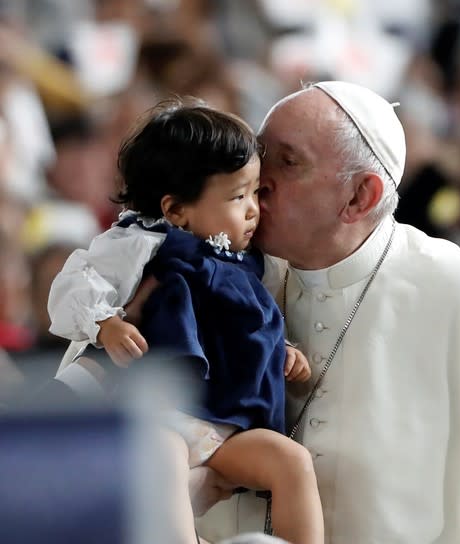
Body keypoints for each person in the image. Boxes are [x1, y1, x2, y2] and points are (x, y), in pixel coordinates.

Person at [54, 82, 460, 543]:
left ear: (359, 196)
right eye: (255, 164)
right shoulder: (220, 271)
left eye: (284, 164)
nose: (256, 187)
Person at [47, 98, 324, 544]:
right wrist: (105, 323)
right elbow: (73, 283)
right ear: (176, 210)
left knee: (289, 460)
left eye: (255, 192)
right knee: (164, 452)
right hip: (159, 413)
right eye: (238, 196)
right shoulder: (140, 244)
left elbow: (246, 325)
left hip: (224, 425)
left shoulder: (250, 264)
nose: (254, 209)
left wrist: (281, 351)